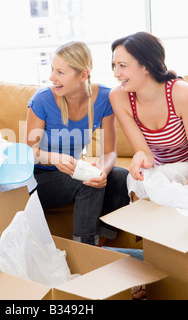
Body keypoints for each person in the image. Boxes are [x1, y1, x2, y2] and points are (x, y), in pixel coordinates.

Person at [110, 32, 188, 201]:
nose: (116, 73)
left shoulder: (181, 93)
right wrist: (141, 156)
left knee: (161, 176)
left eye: (122, 65)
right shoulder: (119, 97)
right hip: (170, 169)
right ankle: (143, 226)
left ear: (146, 66)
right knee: (135, 179)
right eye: (114, 65)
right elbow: (145, 153)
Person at [26, 41, 130, 246]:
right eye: (52, 70)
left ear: (83, 75)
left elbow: (109, 152)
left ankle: (103, 245)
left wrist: (102, 170)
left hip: (67, 172)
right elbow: (28, 153)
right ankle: (85, 247)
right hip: (35, 179)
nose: (52, 77)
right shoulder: (42, 99)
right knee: (86, 181)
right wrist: (53, 158)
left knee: (119, 176)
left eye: (60, 72)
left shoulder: (104, 98)